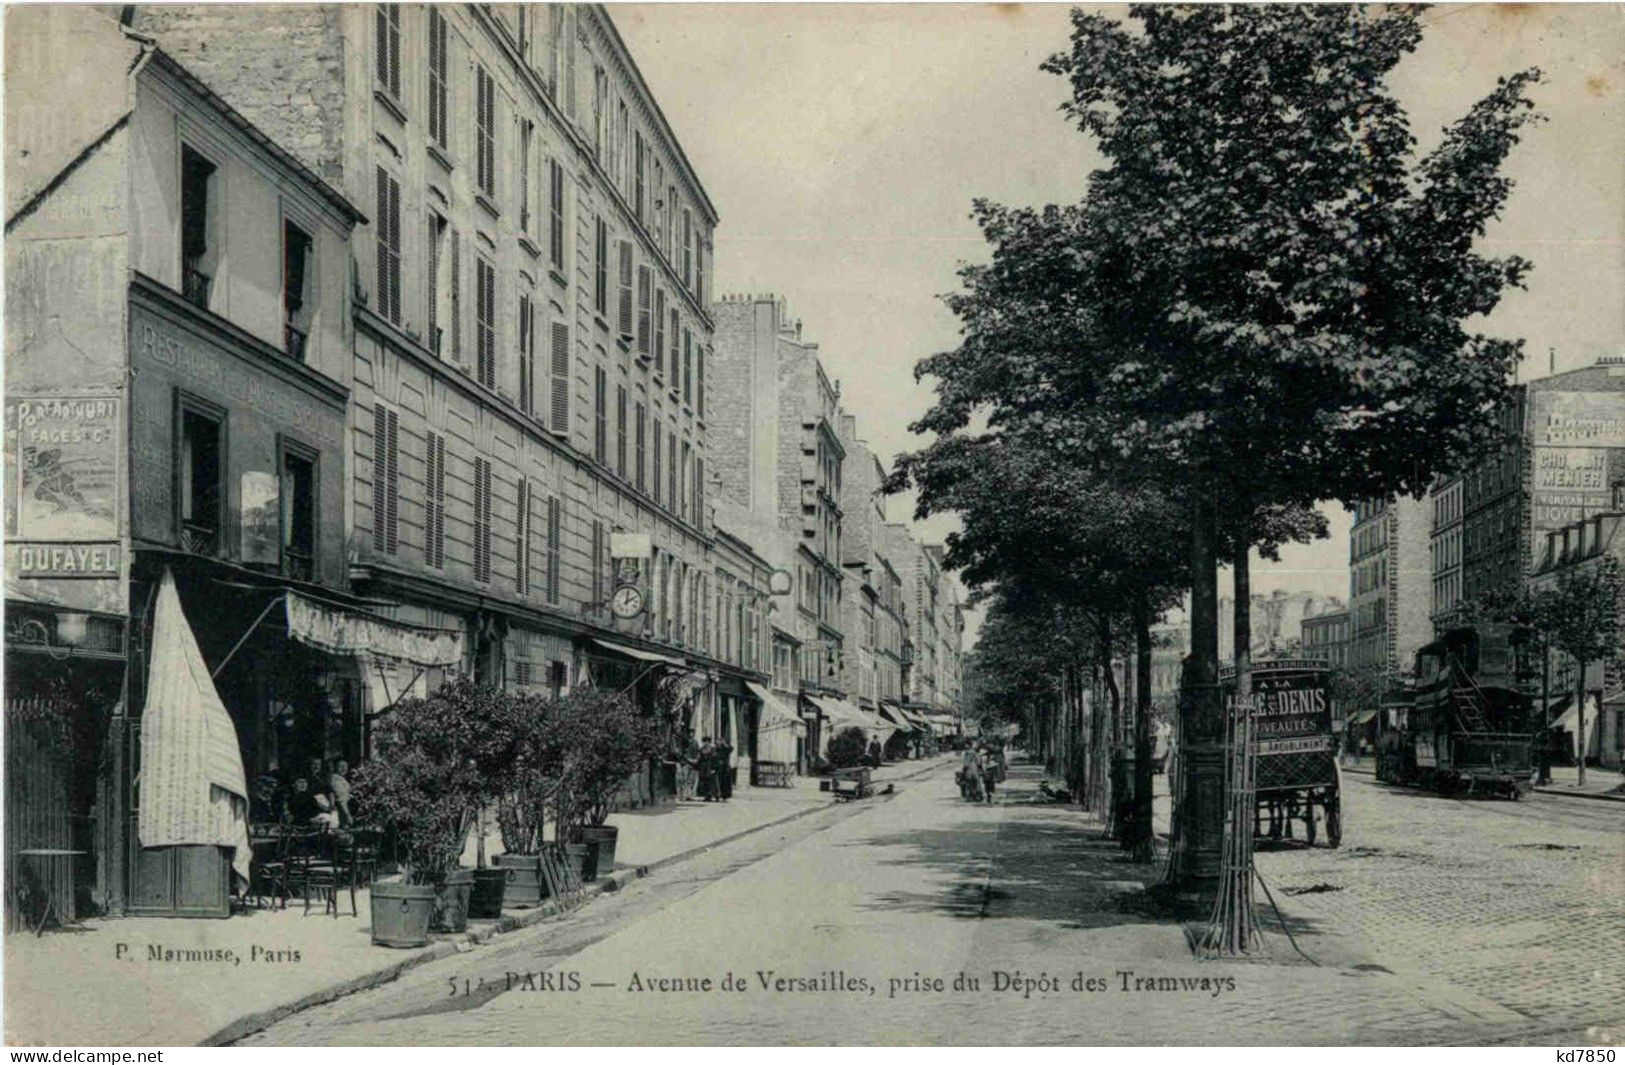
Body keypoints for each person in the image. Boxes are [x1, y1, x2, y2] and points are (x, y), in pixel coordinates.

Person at [328, 759, 353, 827]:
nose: (343, 768)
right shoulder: (335, 780)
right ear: (335, 767)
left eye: (345, 766)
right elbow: (341, 799)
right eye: (340, 766)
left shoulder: (342, 779)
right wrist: (348, 815)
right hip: (341, 812)